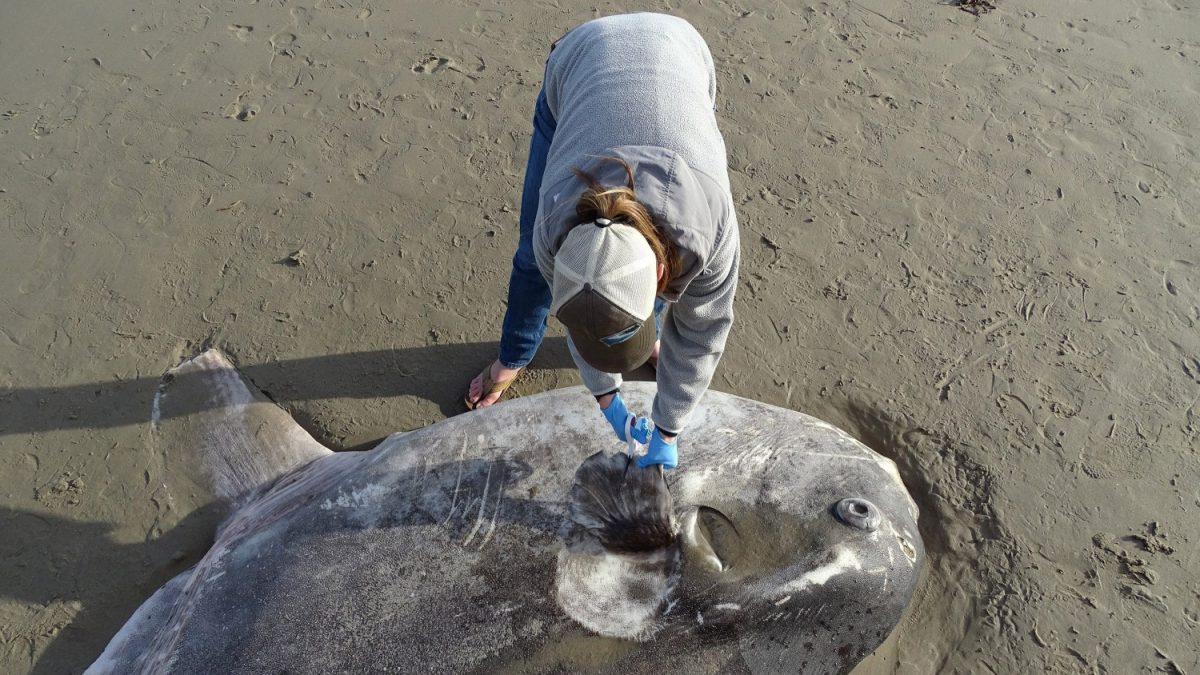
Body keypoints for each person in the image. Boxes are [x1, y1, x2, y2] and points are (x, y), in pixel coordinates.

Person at [463, 13, 740, 470]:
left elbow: (702, 333)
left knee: (628, 289)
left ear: (660, 272)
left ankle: (635, 328)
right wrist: (608, 398)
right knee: (529, 265)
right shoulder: (554, 224)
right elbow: (583, 311)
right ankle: (512, 357)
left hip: (681, 54)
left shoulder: (709, 233)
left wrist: (669, 427)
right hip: (580, 62)